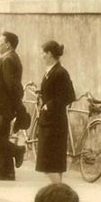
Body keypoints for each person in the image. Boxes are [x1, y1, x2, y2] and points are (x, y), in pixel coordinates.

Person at [36, 41, 76, 183]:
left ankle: (58, 189)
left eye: (43, 53)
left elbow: (69, 95)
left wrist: (49, 105)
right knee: (51, 164)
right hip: (48, 121)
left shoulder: (60, 72)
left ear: (49, 54)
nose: (41, 56)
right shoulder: (50, 71)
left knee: (50, 164)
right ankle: (57, 188)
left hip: (55, 124)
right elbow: (53, 91)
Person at [0, 32, 24, 182]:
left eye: (0, 41)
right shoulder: (8, 58)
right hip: (3, 106)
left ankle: (17, 150)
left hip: (2, 106)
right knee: (0, 136)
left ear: (8, 44)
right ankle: (6, 173)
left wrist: (15, 106)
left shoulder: (8, 59)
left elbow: (11, 86)